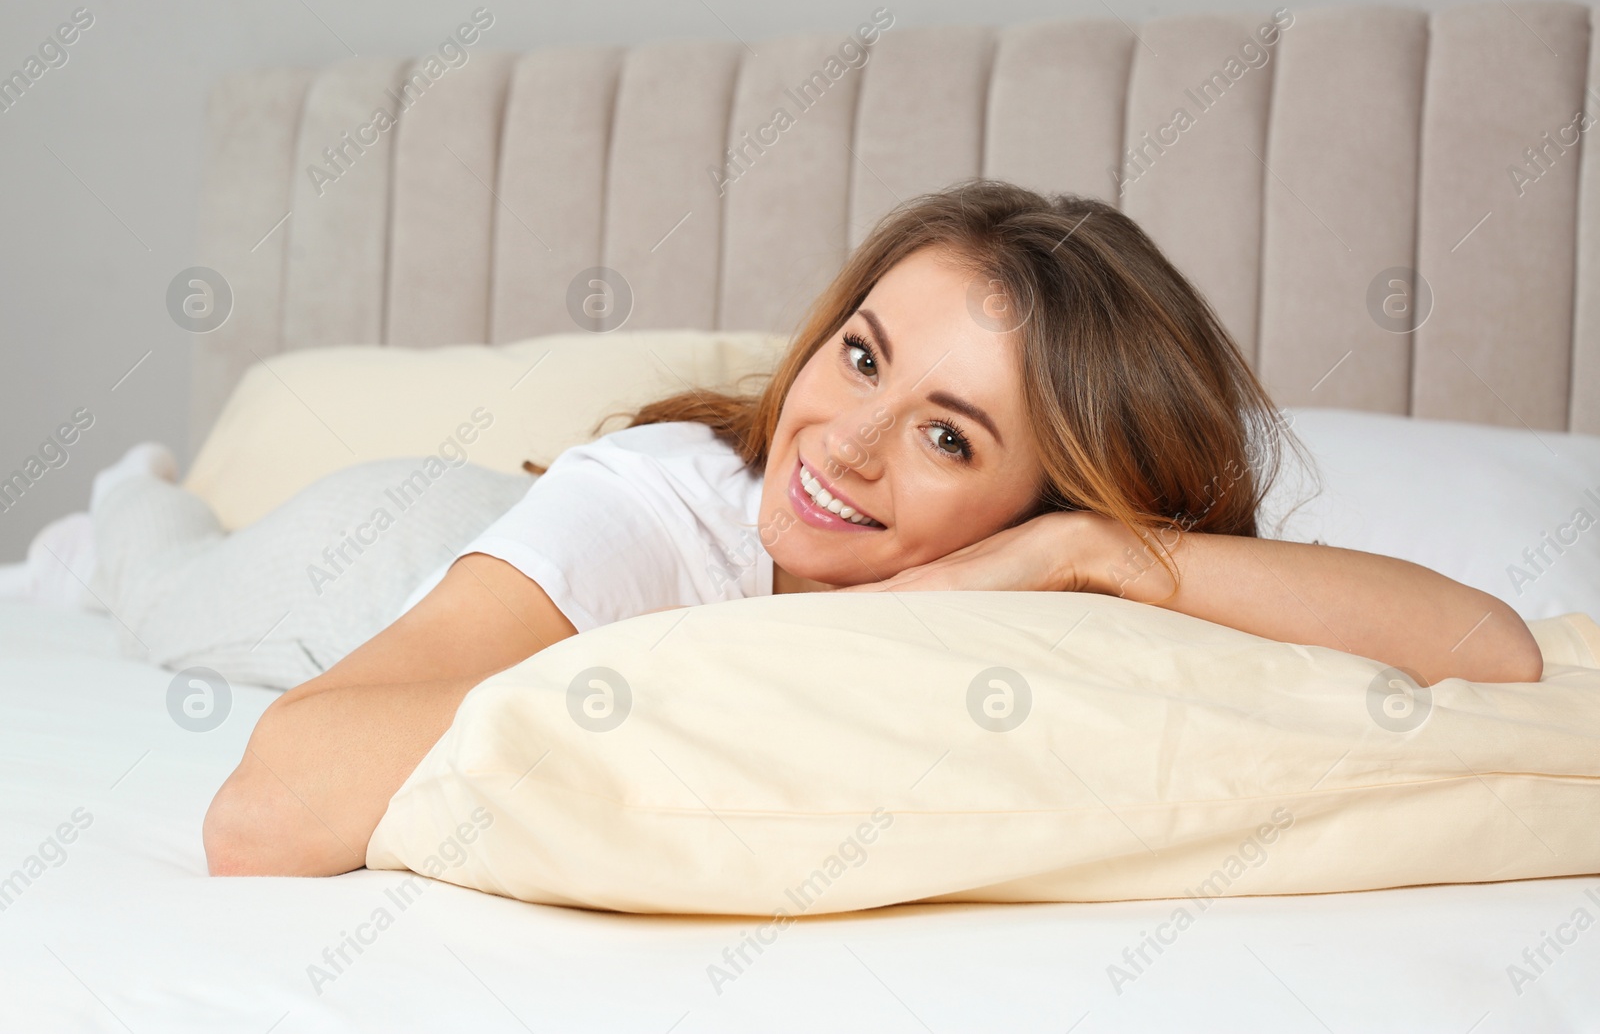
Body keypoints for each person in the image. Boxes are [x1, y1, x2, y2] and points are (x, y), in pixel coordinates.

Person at [193, 180, 1543, 878]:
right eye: (859, 355)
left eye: (949, 435)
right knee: (174, 572)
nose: (842, 440)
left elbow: (1493, 652)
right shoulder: (648, 512)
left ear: (1053, 492)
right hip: (405, 542)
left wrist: (1092, 557)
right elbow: (262, 810)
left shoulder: (1067, 569)